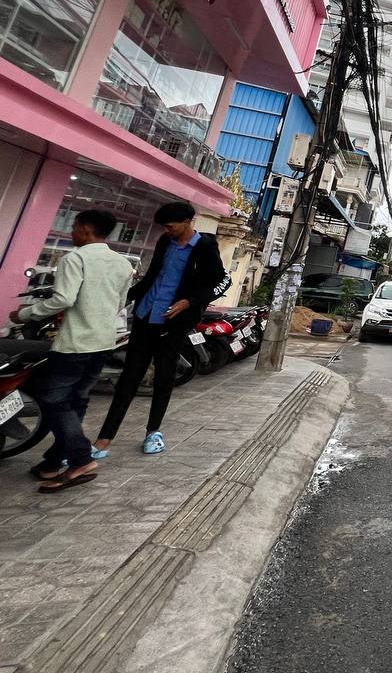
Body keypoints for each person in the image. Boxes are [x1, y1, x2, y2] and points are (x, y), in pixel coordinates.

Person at [8, 209, 133, 493]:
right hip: (104, 342)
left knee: (53, 400)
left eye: (74, 227)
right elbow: (119, 303)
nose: (71, 232)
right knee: (76, 402)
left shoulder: (75, 258)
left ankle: (81, 460)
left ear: (85, 229)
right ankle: (53, 462)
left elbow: (63, 298)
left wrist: (24, 314)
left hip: (75, 344)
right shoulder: (122, 263)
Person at [94, 201, 228, 457]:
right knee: (129, 378)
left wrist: (188, 301)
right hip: (145, 315)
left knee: (164, 378)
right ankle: (104, 438)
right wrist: (125, 297)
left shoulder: (205, 247)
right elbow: (152, 276)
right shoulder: (165, 242)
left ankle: (152, 432)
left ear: (187, 222)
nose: (167, 230)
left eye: (170, 226)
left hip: (173, 324)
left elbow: (219, 282)